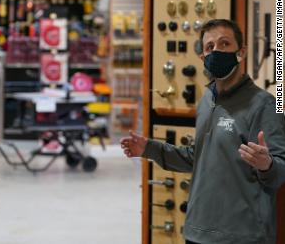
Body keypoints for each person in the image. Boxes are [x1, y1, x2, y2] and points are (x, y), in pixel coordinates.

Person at [121, 19, 285, 244]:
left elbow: (279, 172)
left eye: (224, 44)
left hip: (243, 237)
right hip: (197, 231)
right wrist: (149, 148)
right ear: (203, 57)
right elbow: (195, 158)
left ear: (241, 52)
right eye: (210, 47)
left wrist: (267, 164)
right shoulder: (206, 100)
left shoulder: (265, 104)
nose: (216, 51)